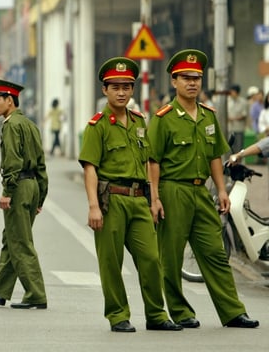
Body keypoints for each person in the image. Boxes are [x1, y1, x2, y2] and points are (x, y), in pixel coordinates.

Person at [148, 49, 259, 329]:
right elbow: (153, 161)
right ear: (174, 82)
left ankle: (233, 312)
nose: (193, 83)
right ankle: (180, 311)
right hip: (173, 191)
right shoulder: (163, 118)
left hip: (202, 192)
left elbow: (214, 157)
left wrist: (221, 190)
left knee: (216, 254)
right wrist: (155, 197)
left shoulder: (209, 116)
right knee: (171, 257)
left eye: (196, 78)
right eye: (186, 78)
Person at [79, 57, 181, 333]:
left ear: (133, 89)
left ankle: (156, 315)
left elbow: (149, 162)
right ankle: (118, 315)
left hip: (139, 200)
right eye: (116, 87)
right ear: (105, 90)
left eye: (127, 87)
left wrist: (154, 198)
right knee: (111, 263)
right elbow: (90, 168)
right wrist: (93, 207)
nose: (122, 92)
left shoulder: (139, 122)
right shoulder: (97, 125)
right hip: (111, 200)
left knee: (150, 258)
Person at [0, 78, 48, 309]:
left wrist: (7, 191)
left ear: (10, 100)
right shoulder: (29, 124)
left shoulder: (10, 125)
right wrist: (41, 197)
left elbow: (12, 162)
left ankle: (36, 294)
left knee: (20, 242)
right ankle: (0, 290)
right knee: (11, 239)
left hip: (18, 186)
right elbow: (41, 164)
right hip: (32, 186)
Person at [227, 84, 248, 153]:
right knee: (229, 147)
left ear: (237, 92)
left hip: (239, 128)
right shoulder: (228, 101)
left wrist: (234, 118)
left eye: (232, 92)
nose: (231, 93)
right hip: (229, 128)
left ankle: (238, 162)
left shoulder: (243, 102)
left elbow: (244, 115)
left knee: (239, 147)